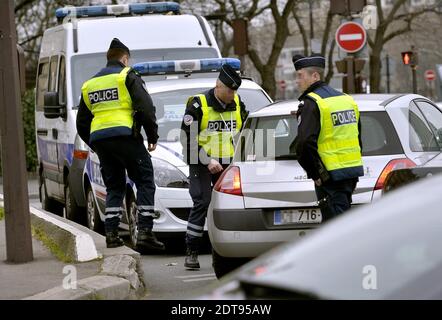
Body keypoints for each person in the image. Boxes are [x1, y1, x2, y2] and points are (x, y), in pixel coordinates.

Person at [76, 38, 165, 251]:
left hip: (101, 141)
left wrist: (96, 144)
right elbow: (146, 108)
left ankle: (112, 234)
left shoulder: (90, 84)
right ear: (124, 58)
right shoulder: (127, 76)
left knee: (114, 185)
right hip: (126, 138)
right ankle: (144, 232)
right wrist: (152, 136)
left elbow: (81, 123)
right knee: (145, 179)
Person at [180, 64, 248, 269]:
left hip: (227, 162)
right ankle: (191, 251)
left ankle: (228, 251)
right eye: (229, 90)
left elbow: (245, 129)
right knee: (202, 201)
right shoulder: (198, 104)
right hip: (201, 161)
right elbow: (187, 138)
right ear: (218, 86)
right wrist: (207, 160)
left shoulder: (236, 102)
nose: (232, 94)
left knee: (230, 204)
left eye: (234, 90)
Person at [292, 53, 363, 222]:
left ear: (315, 76)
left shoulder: (313, 102)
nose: (297, 80)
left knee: (336, 229)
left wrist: (316, 173)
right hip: (350, 173)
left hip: (329, 177)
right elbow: (357, 136)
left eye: (300, 76)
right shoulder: (346, 100)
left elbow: (304, 144)